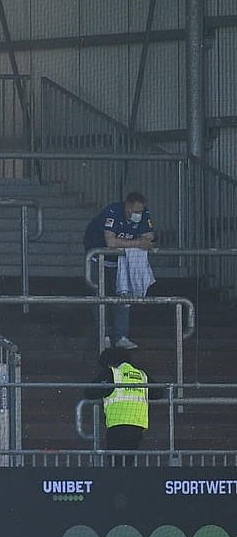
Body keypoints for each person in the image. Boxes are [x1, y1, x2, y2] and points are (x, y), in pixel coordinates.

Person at [83, 191, 156, 348]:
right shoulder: (113, 212)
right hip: (99, 258)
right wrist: (137, 243)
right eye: (135, 211)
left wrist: (142, 240)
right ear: (127, 206)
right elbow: (111, 242)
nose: (138, 215)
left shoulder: (144, 213)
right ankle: (104, 335)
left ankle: (121, 336)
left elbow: (149, 235)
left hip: (121, 261)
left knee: (124, 295)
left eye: (140, 212)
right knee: (100, 297)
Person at [85, 346, 165, 457]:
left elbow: (89, 392)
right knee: (128, 461)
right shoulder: (142, 375)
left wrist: (105, 389)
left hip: (117, 424)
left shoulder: (112, 373)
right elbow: (158, 393)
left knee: (117, 463)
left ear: (110, 362)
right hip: (138, 425)